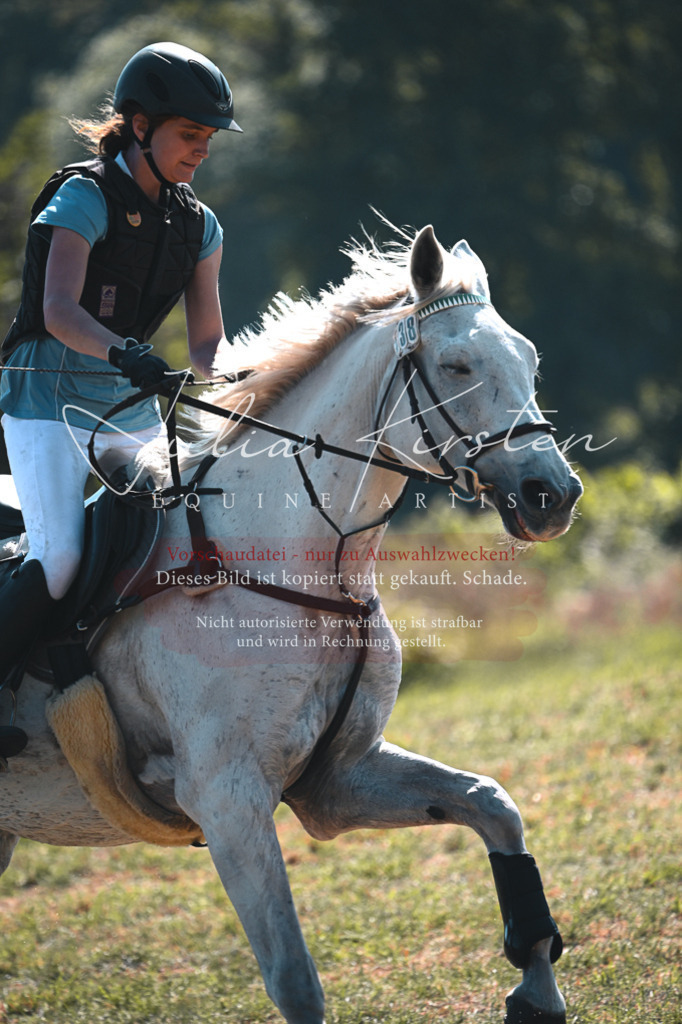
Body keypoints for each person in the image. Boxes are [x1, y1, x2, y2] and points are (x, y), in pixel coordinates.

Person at [0, 41, 242, 757]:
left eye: (207, 140)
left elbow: (206, 343)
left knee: (180, 534)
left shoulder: (201, 225)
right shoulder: (82, 195)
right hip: (45, 397)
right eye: (189, 136)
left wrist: (247, 383)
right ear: (140, 126)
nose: (201, 152)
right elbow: (57, 311)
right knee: (63, 558)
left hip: (123, 405)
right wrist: (125, 351)